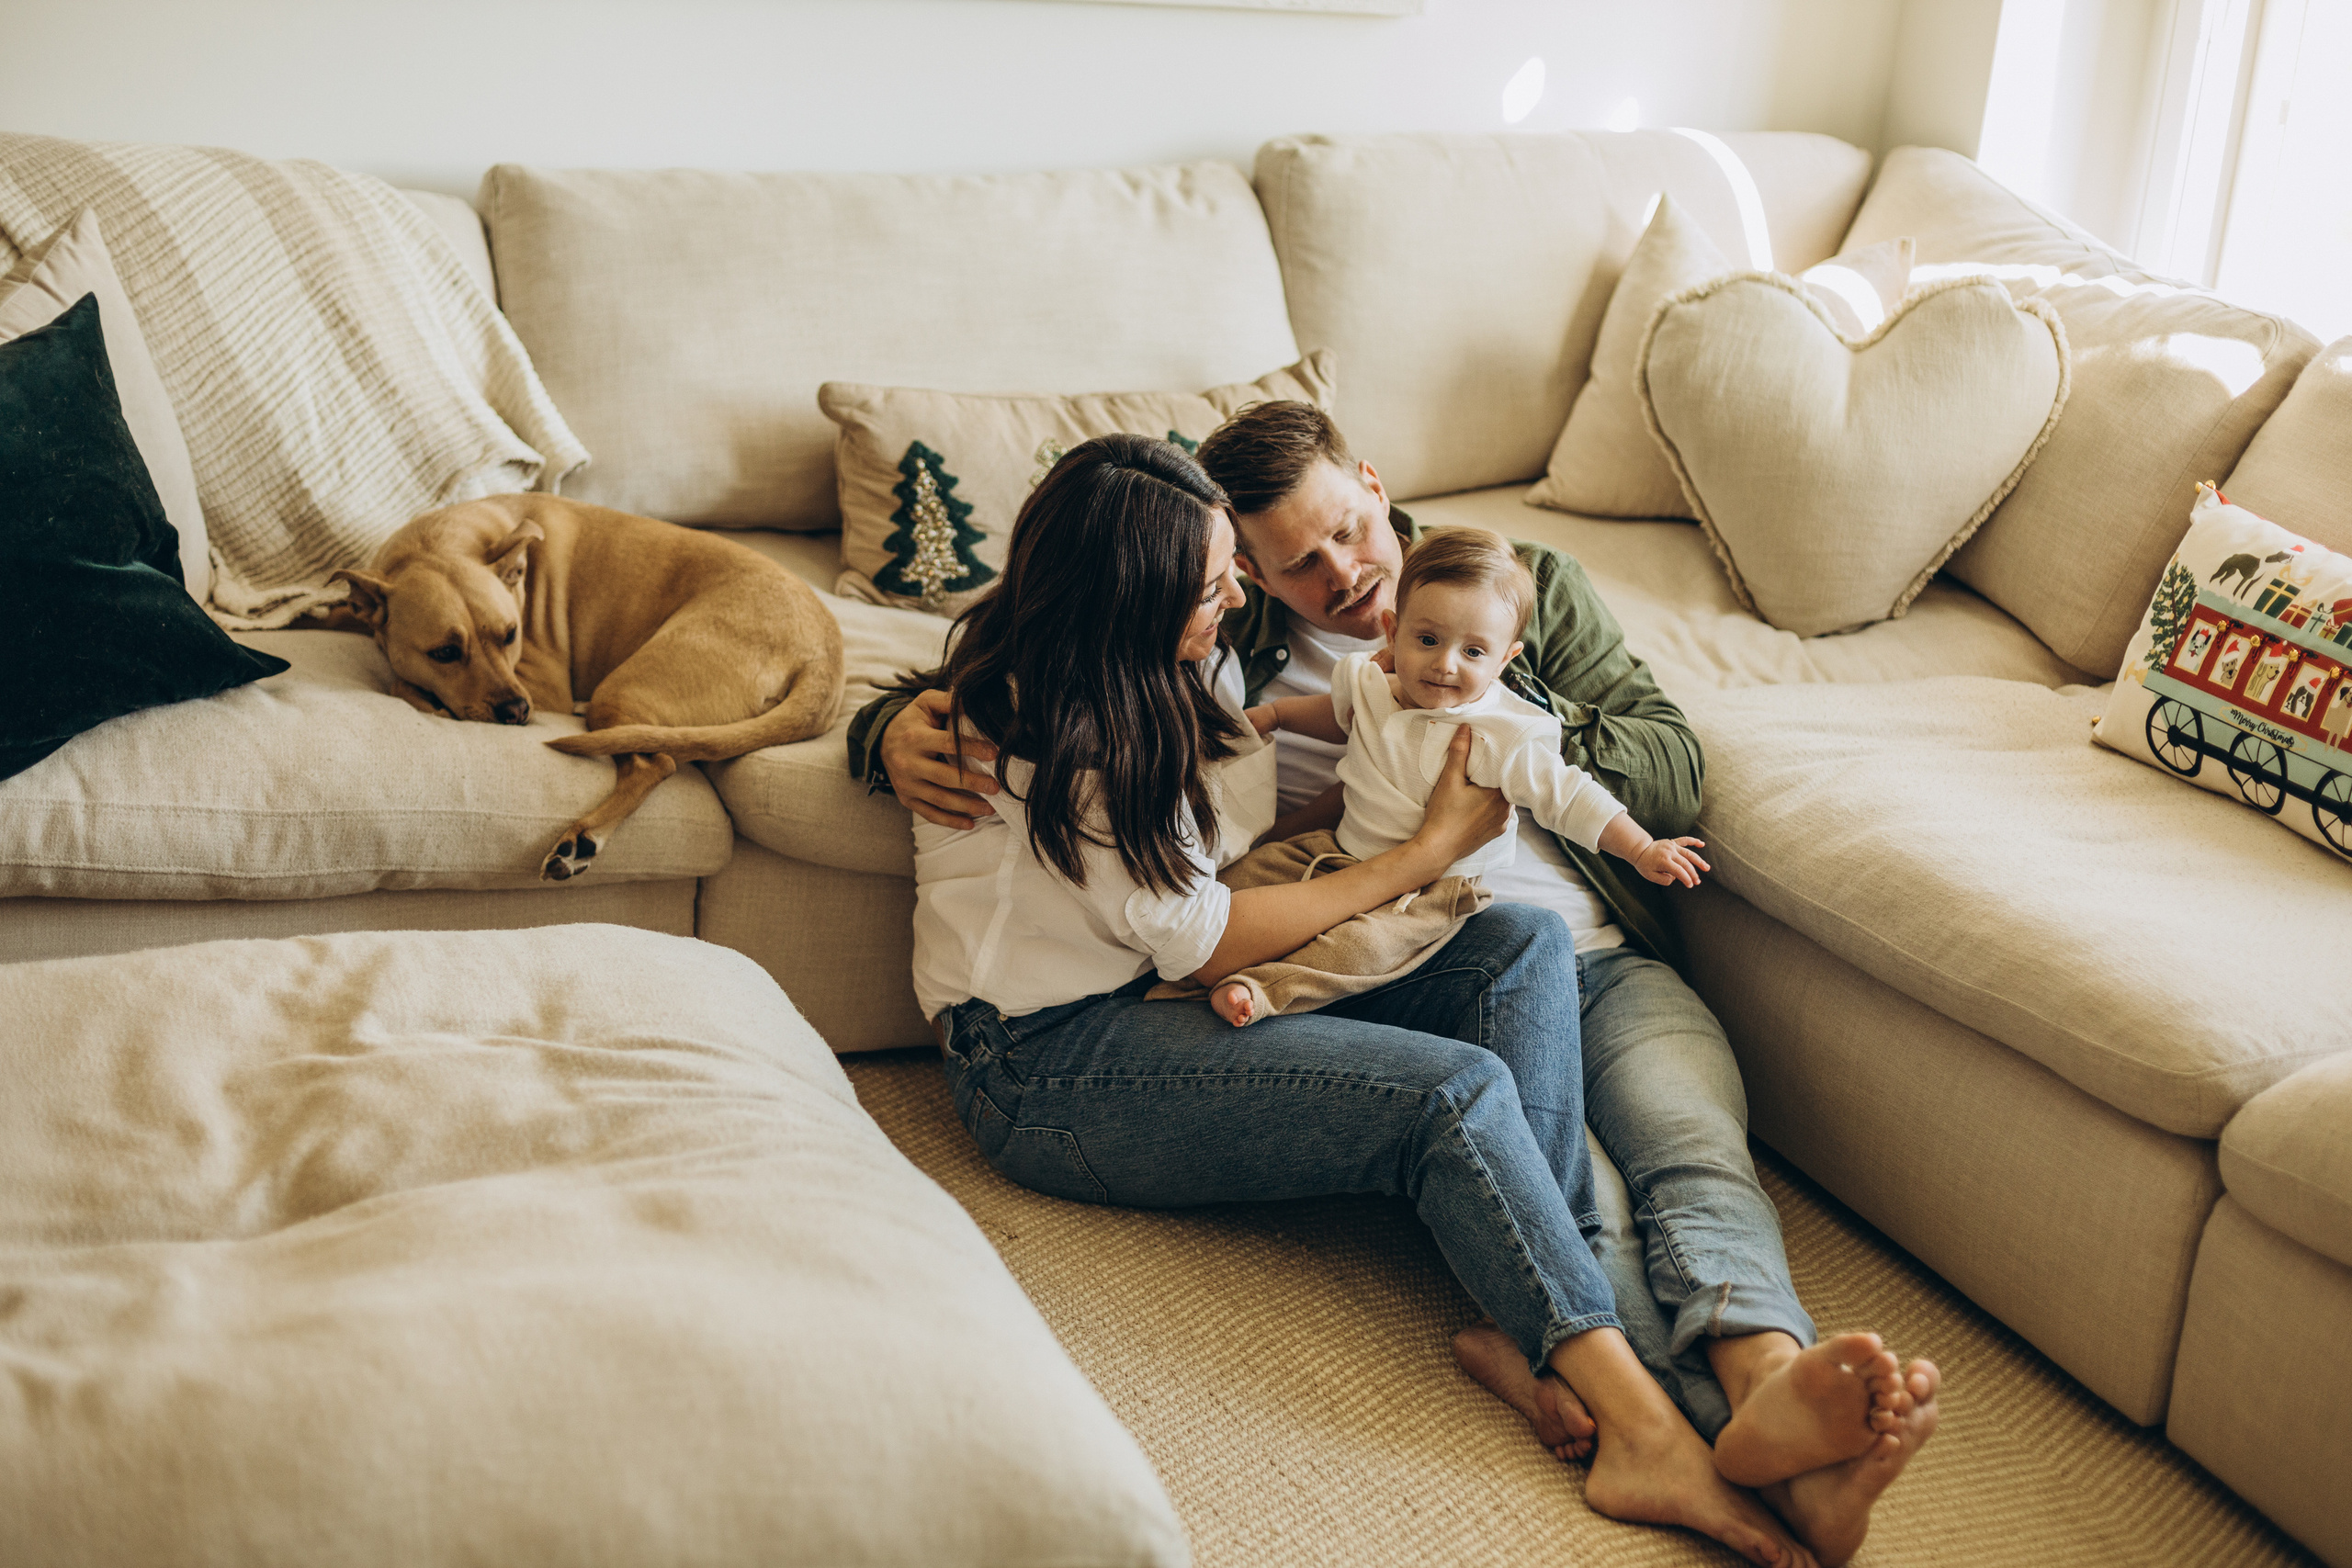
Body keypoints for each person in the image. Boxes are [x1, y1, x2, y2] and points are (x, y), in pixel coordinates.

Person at [851, 416, 1937, 1566]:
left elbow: (1659, 762)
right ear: (1153, 597)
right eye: (1233, 583)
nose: (1254, 599)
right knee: (1454, 1095)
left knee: (1522, 944)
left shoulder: (1415, 612)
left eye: (1250, 573)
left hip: (1459, 949)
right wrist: (1419, 853)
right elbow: (1201, 938)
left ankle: (1588, 1353)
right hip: (1047, 1061)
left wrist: (1484, 704)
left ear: (1374, 489)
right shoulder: (1093, 721)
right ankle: (1647, 1427)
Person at [1203, 526, 1708, 1028]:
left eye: (1472, 653)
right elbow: (1336, 715)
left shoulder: (1498, 733)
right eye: (1427, 640)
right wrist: (1274, 717)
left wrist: (1641, 850)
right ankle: (1177, 960)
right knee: (1242, 880)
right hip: (1335, 849)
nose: (1444, 665)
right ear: (1392, 631)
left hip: (1433, 895)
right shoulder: (1372, 683)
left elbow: (1570, 795)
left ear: (1505, 661)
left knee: (1362, 949)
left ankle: (1263, 990)